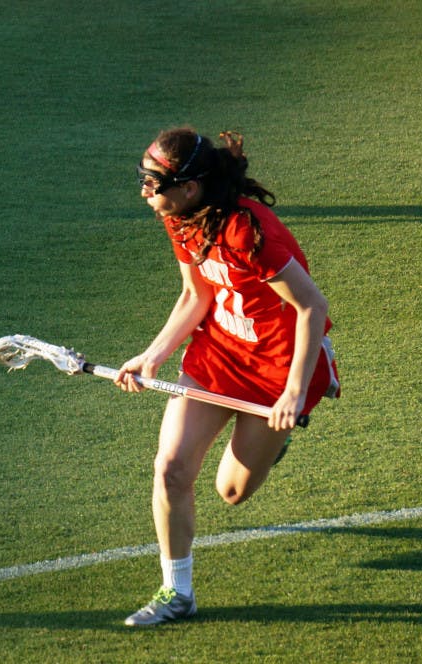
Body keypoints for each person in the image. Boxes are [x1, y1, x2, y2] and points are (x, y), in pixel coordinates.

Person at [114, 127, 339, 626]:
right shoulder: (182, 218)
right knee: (170, 468)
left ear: (189, 186)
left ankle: (277, 433)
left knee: (231, 493)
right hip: (218, 355)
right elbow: (196, 295)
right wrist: (152, 355)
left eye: (153, 183)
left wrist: (293, 392)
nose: (145, 192)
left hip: (277, 371)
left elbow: (312, 306)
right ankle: (178, 593)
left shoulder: (248, 231)